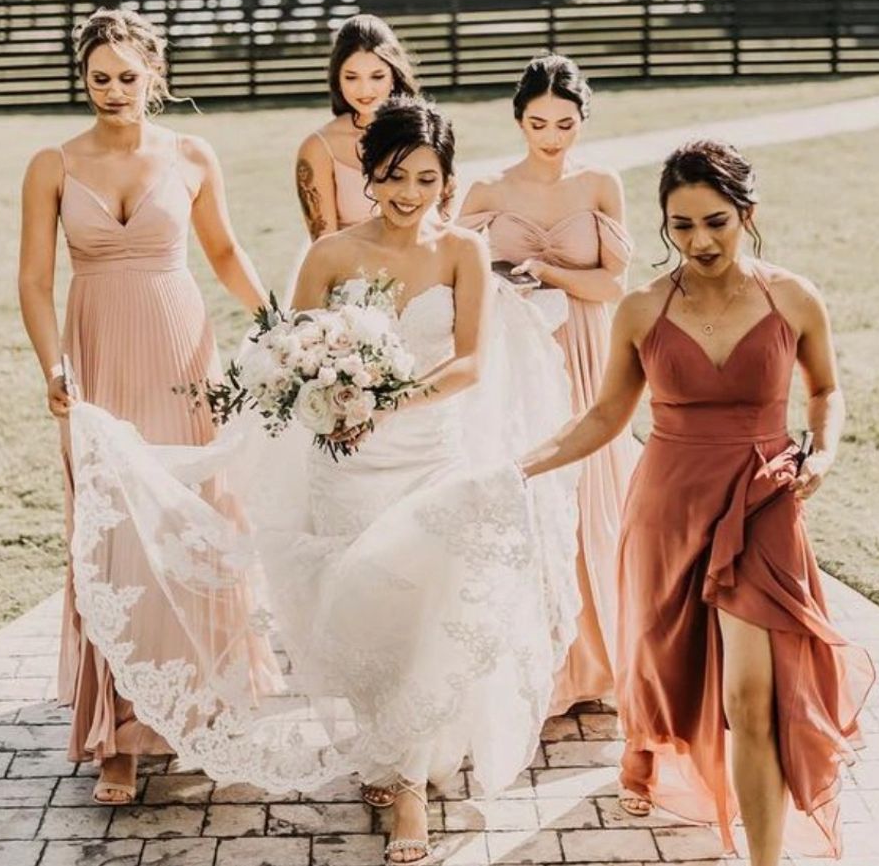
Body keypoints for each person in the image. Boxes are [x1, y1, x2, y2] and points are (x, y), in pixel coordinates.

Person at [65, 97, 582, 864]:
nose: (409, 193)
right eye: (395, 175)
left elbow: (472, 361)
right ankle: (385, 748)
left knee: (426, 610)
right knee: (366, 613)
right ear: (371, 173)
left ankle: (409, 787)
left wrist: (388, 399)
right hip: (346, 465)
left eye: (426, 178)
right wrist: (331, 399)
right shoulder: (332, 255)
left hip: (430, 456)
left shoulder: (462, 251)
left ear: (447, 180)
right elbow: (288, 357)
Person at [519, 139, 875, 865]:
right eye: (681, 225)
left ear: (748, 213)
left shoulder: (793, 297)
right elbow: (606, 415)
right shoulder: (641, 308)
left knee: (752, 697)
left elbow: (826, 389)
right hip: (669, 507)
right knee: (669, 674)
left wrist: (824, 451)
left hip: (762, 502)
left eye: (716, 221)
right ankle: (647, 757)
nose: (700, 240)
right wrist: (523, 465)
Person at [17, 6, 281, 805]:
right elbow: (33, 279)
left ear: (153, 73)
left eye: (127, 76)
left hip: (180, 354)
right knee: (113, 537)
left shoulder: (192, 154)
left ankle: (202, 707)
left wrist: (281, 328)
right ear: (83, 78)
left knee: (189, 519)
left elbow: (224, 251)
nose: (113, 90)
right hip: (97, 359)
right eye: (99, 78)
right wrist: (53, 363)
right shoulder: (52, 164)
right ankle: (120, 733)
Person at [459, 53, 638, 715]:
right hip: (521, 353)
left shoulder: (600, 184)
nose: (551, 137)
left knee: (593, 494)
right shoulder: (487, 189)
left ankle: (601, 661)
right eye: (538, 124)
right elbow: (454, 274)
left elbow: (613, 284)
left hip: (587, 348)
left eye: (565, 124)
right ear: (518, 120)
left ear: (582, 119)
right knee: (531, 494)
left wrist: (550, 271)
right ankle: (543, 671)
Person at [294, 14, 419, 240]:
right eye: (352, 77)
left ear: (394, 76)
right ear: (337, 79)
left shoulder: (423, 133)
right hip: (352, 261)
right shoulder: (318, 147)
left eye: (377, 76)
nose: (364, 90)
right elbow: (324, 246)